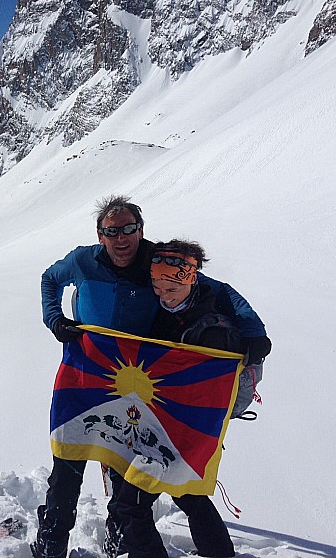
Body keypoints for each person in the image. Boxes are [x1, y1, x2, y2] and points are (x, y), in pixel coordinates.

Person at [33, 196, 271, 558]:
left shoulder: (158, 263)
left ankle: (118, 537)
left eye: (129, 229)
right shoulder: (84, 260)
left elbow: (218, 290)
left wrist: (253, 331)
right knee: (69, 458)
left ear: (141, 231)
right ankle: (52, 543)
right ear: (100, 236)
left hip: (140, 382)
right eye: (111, 231)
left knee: (121, 462)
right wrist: (54, 318)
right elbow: (50, 278)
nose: (121, 238)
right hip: (90, 372)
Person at [110, 239, 242, 558]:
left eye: (171, 290)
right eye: (157, 289)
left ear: (190, 280)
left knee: (131, 506)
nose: (164, 297)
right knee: (189, 495)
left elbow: (212, 390)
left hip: (184, 433)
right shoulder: (170, 314)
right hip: (165, 428)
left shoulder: (214, 329)